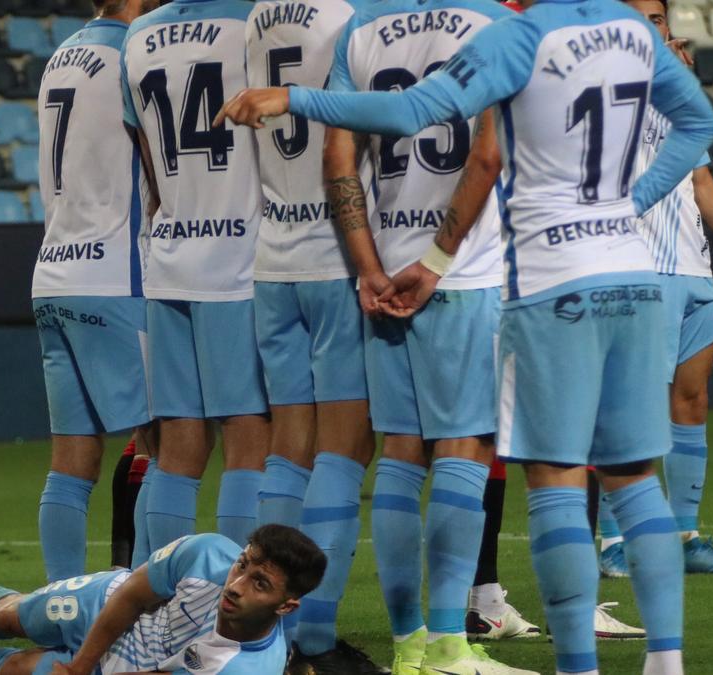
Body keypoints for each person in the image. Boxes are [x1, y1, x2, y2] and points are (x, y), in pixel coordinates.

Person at [213, 0, 713, 671]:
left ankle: (436, 644)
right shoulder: (627, 31)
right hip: (605, 270)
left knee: (491, 468)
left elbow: (401, 117)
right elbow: (698, 124)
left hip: (517, 272)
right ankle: (658, 658)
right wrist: (629, 202)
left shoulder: (488, 34)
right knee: (630, 476)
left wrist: (292, 99)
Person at [320, 0, 536, 672]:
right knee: (464, 451)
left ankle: (409, 643)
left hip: (384, 268)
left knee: (402, 454)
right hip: (462, 272)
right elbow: (491, 152)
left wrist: (368, 267)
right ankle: (448, 644)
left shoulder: (360, 30)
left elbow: (337, 154)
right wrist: (437, 262)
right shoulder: (496, 23)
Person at [595, 0, 713, 578]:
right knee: (629, 407)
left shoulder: (678, 85)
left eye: (658, 18)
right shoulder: (596, 76)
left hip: (692, 265)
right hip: (635, 263)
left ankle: (685, 535)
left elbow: (700, 175)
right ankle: (614, 543)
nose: (649, 26)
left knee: (692, 402)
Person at [242, 2, 381, 673]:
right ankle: (315, 638)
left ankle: (264, 628)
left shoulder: (258, 18)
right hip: (335, 252)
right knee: (347, 444)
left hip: (273, 258)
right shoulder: (356, 14)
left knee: (287, 447)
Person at [120, 0, 270, 553]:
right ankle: (229, 610)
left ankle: (155, 604)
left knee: (176, 449)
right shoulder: (253, 20)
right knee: (249, 439)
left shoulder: (137, 36)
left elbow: (151, 171)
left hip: (169, 259)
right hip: (237, 262)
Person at [32, 0, 163, 585]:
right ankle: (141, 610)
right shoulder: (133, 54)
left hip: (54, 274)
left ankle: (62, 608)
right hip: (117, 276)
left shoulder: (62, 55)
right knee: (168, 449)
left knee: (70, 465)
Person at [0, 524, 327, 675]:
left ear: (287, 606)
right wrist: (81, 665)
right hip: (103, 605)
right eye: (243, 564)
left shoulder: (245, 670)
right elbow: (131, 594)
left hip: (131, 667)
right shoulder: (206, 554)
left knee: (19, 670)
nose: (237, 585)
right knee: (9, 616)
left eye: (260, 583)